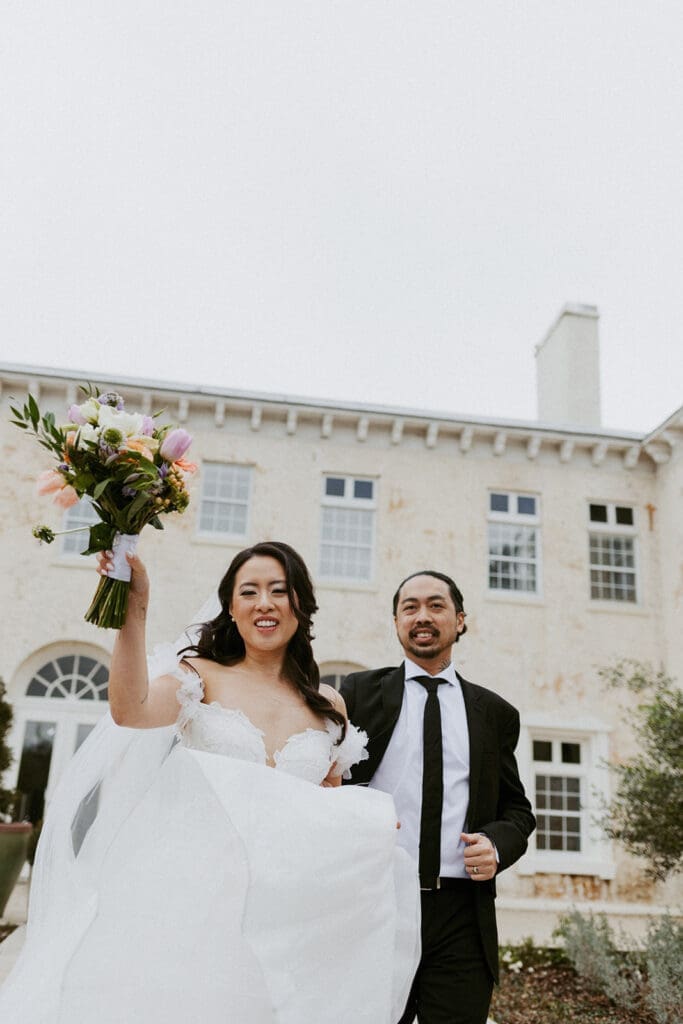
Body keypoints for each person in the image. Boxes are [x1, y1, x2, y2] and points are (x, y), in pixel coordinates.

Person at [0, 541, 420, 1024]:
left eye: (278, 590)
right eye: (249, 592)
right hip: (195, 901)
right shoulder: (199, 677)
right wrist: (135, 610)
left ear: (300, 604)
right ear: (231, 609)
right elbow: (130, 709)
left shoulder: (328, 706)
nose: (264, 603)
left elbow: (328, 809)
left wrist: (367, 829)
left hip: (288, 913)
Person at [341, 569, 536, 1024]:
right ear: (396, 622)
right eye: (409, 607)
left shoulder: (495, 713)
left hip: (461, 914)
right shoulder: (357, 694)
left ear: (460, 619)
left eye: (436, 605)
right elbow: (327, 787)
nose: (422, 616)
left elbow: (517, 811)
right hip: (377, 900)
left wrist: (496, 845)